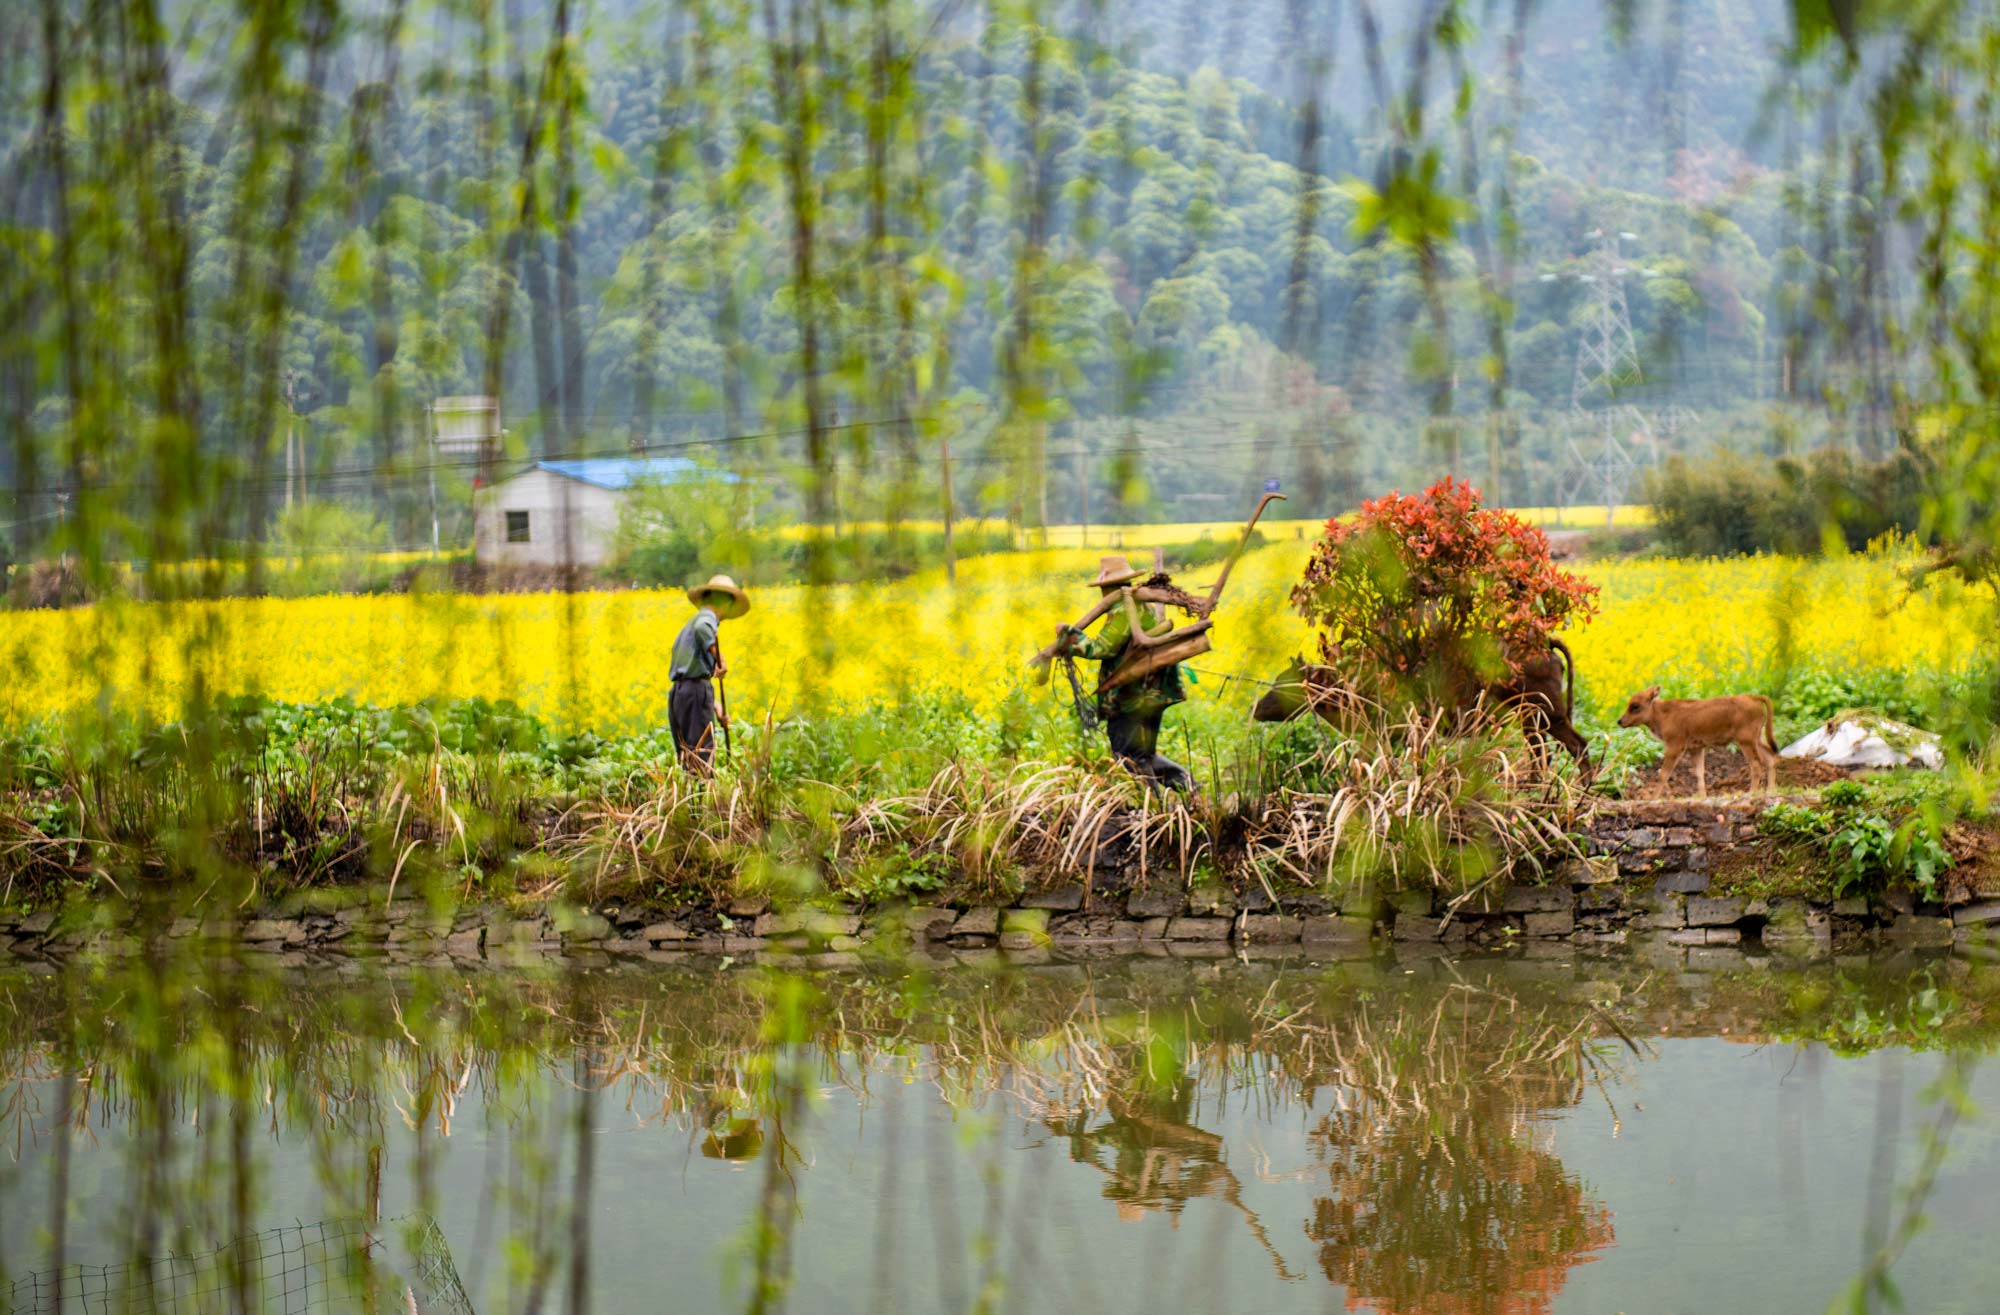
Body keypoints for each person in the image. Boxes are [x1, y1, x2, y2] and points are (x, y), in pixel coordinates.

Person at [1059, 555, 1193, 792]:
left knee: (1129, 756)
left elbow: (1101, 648)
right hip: (1153, 692)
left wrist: (1068, 634)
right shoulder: (1142, 605)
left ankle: (1151, 808)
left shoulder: (1123, 610)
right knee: (1145, 755)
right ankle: (1191, 791)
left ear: (1108, 588)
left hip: (1132, 697)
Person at [668, 573, 749, 775]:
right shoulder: (705, 619)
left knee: (689, 757)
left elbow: (693, 676)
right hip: (694, 693)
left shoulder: (689, 626)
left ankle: (693, 793)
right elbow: (703, 628)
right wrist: (719, 657)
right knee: (701, 758)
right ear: (725, 602)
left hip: (680, 694)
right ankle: (702, 793)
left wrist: (716, 707)